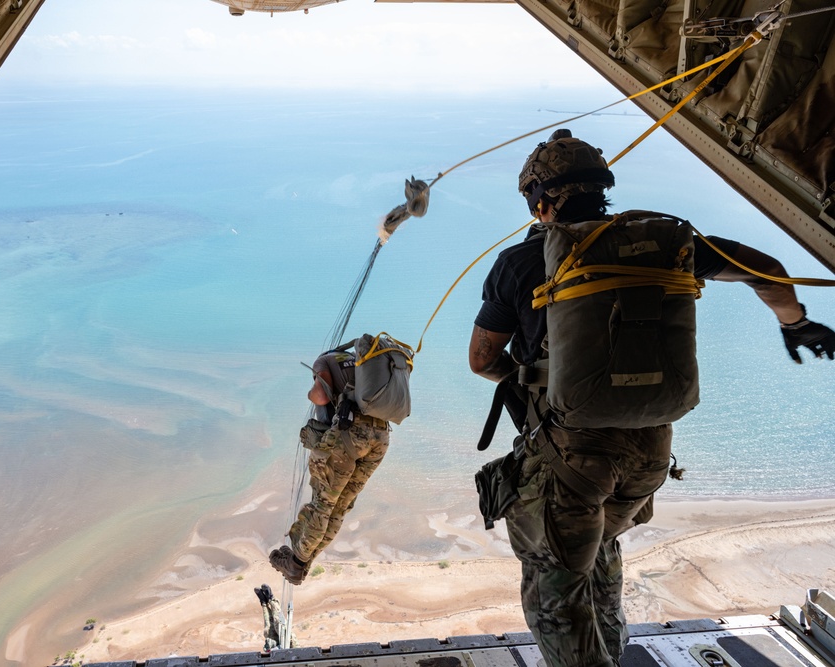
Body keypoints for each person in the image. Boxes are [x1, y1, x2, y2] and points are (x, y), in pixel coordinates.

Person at [469, 129, 835, 667]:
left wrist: (528, 382)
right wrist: (796, 323)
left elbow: (481, 360)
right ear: (602, 189)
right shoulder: (667, 244)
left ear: (540, 201)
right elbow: (768, 273)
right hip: (649, 455)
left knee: (556, 596)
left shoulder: (520, 264)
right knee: (599, 555)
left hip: (570, 457)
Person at [269, 347, 391, 585]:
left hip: (349, 435)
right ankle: (303, 560)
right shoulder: (363, 362)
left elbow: (321, 397)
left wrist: (311, 392)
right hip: (381, 438)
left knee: (323, 504)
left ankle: (295, 565)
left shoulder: (324, 360)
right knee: (340, 506)